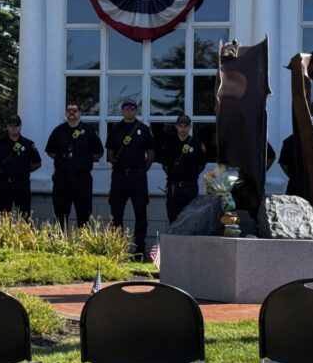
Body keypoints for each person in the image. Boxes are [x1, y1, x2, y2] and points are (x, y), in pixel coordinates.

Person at [106, 98, 156, 258]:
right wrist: (120, 166)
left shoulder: (144, 129)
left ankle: (139, 249)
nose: (129, 111)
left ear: (136, 110)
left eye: (132, 108)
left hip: (138, 176)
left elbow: (151, 154)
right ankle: (117, 248)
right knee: (116, 213)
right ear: (122, 110)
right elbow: (110, 154)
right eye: (126, 108)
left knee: (141, 213)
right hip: (120, 176)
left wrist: (141, 170)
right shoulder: (115, 129)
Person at [45, 102, 104, 230]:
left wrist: (83, 160)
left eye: (75, 110)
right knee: (60, 215)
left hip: (82, 179)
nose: (72, 113)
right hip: (62, 179)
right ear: (66, 113)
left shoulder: (89, 131)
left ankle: (82, 247)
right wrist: (64, 162)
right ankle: (60, 245)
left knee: (84, 216)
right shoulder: (58, 131)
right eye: (69, 110)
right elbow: (50, 151)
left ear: (80, 113)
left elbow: (99, 153)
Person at [0, 114, 41, 217]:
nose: (14, 128)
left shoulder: (28, 144)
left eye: (16, 125)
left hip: (22, 185)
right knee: (1, 216)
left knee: (24, 217)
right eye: (11, 126)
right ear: (7, 126)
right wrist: (1, 170)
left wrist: (24, 170)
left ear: (20, 126)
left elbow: (37, 163)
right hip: (4, 184)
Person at [159, 114, 207, 224]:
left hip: (190, 185)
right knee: (173, 217)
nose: (183, 129)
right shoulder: (169, 144)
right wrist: (175, 175)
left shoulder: (197, 143)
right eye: (180, 126)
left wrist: (191, 175)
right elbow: (165, 165)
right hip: (174, 186)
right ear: (176, 127)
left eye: (186, 126)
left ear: (190, 127)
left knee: (191, 219)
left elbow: (201, 165)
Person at [278, 131, 313, 201]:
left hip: (296, 184)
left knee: (293, 208)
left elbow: (284, 165)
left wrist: (293, 175)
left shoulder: (289, 141)